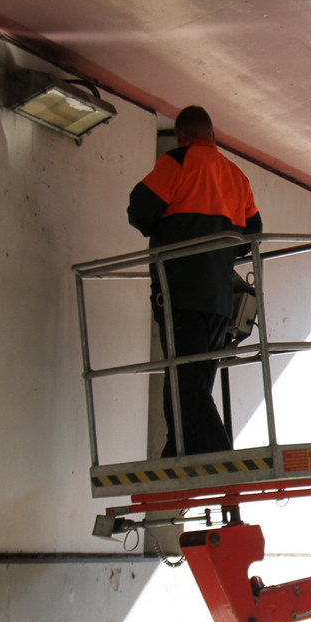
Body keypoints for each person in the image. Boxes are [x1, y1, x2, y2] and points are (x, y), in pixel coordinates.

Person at [128, 106, 262, 458]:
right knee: (192, 381)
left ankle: (221, 454)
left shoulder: (177, 162)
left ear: (180, 136)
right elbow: (252, 234)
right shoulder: (236, 176)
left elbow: (139, 211)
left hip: (181, 293)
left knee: (185, 383)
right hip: (220, 300)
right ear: (213, 135)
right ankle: (176, 454)